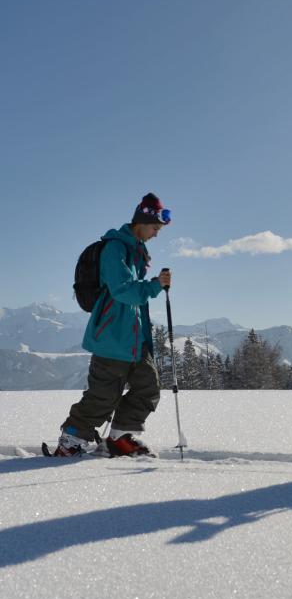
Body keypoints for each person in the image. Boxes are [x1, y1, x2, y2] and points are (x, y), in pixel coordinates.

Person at [53, 193, 172, 457]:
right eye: (155, 228)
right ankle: (71, 440)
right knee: (103, 396)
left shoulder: (136, 250)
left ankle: (119, 438)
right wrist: (155, 285)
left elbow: (133, 298)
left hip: (133, 339)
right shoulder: (115, 248)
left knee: (148, 387)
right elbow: (122, 290)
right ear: (142, 221)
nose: (155, 234)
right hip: (112, 338)